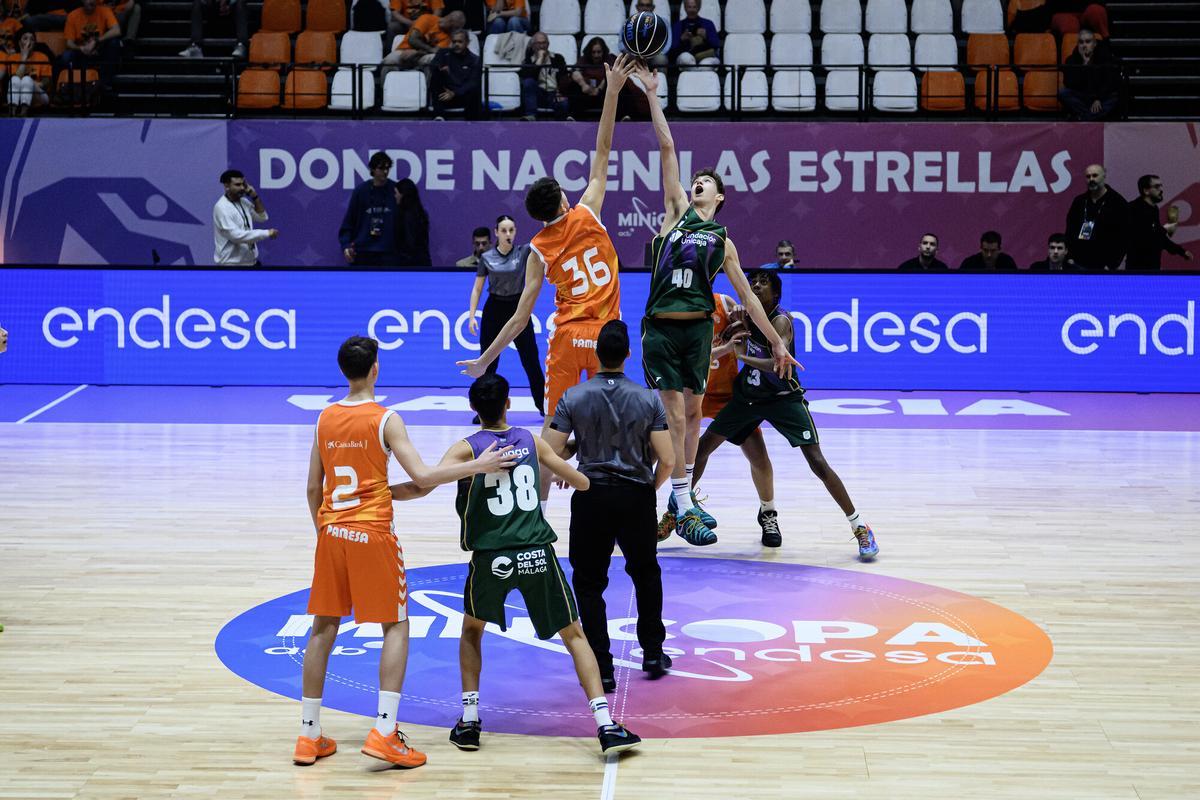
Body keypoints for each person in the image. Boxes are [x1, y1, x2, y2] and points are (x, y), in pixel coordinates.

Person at [295, 336, 517, 769]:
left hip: (332, 531)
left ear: (345, 371)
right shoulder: (386, 419)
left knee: (323, 628)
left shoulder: (324, 418)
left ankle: (308, 735)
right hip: (373, 532)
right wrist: (479, 465)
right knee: (396, 626)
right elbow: (422, 476)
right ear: (375, 369)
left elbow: (311, 489)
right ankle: (384, 732)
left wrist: (325, 531)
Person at [399, 373, 642, 756]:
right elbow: (582, 483)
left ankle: (469, 721)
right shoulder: (531, 441)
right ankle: (605, 724)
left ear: (473, 408)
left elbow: (420, 486)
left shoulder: (466, 449)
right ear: (508, 404)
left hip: (491, 556)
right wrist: (564, 472)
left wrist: (378, 493)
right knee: (574, 636)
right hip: (535, 553)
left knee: (472, 632)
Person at [459, 55, 637, 511]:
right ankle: (613, 510)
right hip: (605, 338)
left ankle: (534, 521)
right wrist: (612, 91)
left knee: (550, 440)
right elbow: (603, 150)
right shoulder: (588, 211)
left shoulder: (536, 249)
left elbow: (520, 318)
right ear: (562, 201)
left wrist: (485, 360)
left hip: (566, 339)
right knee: (611, 434)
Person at [632, 63, 796, 547]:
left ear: (720, 197)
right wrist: (653, 94)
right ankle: (683, 501)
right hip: (661, 328)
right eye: (696, 180)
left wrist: (777, 345)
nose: (698, 183)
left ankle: (682, 499)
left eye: (706, 182)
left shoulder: (723, 240)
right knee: (675, 415)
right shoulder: (675, 215)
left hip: (698, 331)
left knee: (693, 415)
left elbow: (748, 298)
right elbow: (666, 147)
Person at [693, 270, 880, 562]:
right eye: (753, 282)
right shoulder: (744, 315)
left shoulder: (781, 320)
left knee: (817, 463)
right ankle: (680, 510)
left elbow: (777, 364)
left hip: (783, 399)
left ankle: (860, 527)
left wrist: (740, 356)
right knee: (701, 449)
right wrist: (735, 327)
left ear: (776, 294)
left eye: (763, 282)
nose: (756, 285)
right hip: (748, 398)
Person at [542, 320, 675, 692]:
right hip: (636, 496)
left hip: (591, 496)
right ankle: (653, 653)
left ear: (597, 355)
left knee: (588, 583)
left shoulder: (573, 396)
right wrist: (648, 489)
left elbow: (548, 451)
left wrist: (577, 454)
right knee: (646, 574)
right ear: (628, 354)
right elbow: (667, 459)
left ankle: (601, 666)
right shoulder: (648, 398)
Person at [693, 293, 781, 545]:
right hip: (695, 392)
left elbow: (752, 337)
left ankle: (768, 513)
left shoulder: (725, 303)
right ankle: (677, 509)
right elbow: (694, 358)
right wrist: (727, 347)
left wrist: (744, 319)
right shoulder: (682, 309)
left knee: (759, 456)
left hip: (729, 395)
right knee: (672, 452)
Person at [467, 215, 545, 415]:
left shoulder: (524, 252)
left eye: (511, 230)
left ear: (515, 231)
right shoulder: (487, 257)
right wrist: (472, 315)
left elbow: (545, 236)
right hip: (494, 309)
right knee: (488, 362)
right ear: (496, 233)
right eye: (503, 230)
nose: (508, 234)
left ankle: (543, 406)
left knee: (531, 360)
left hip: (518, 309)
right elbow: (477, 289)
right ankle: (484, 410)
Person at [339, 152, 400, 267]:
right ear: (372, 169)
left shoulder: (396, 190)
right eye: (381, 168)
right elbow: (349, 222)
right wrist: (346, 246)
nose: (385, 172)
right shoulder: (361, 191)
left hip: (390, 252)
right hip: (363, 251)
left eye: (387, 168)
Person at [1064, 163, 1126, 270]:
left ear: (1104, 176)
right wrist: (1069, 257)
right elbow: (1070, 230)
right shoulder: (1079, 201)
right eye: (1088, 177)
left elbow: (1123, 237)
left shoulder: (1118, 203)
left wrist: (1111, 264)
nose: (1091, 179)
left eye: (1095, 175)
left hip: (1103, 265)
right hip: (1077, 263)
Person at [1124, 174, 1193, 271]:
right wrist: (1164, 230)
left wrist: (1181, 251)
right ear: (1146, 191)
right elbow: (1146, 237)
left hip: (1152, 267)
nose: (1161, 189)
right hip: (1138, 268)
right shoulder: (1133, 209)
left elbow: (1159, 237)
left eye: (1161, 186)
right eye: (1156, 187)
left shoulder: (1154, 209)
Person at [213, 169, 276, 266]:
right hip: (231, 265)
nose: (242, 188)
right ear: (226, 186)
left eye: (243, 184)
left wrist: (254, 196)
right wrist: (266, 233)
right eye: (237, 185)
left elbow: (262, 217)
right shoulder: (222, 207)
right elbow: (236, 236)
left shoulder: (244, 202)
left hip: (251, 262)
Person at [1058, 27, 1119, 121]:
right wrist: (1084, 66)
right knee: (1063, 93)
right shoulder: (1071, 60)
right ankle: (1092, 117)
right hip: (1083, 97)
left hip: (1101, 97)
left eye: (1088, 42)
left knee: (1115, 97)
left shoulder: (1105, 58)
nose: (1084, 45)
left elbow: (1109, 82)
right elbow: (1069, 84)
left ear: (1094, 44)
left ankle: (1084, 117)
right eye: (1081, 42)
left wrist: (1098, 98)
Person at [61, 0, 121, 90]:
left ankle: (105, 82)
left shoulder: (105, 11)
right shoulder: (73, 15)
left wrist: (96, 41)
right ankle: (72, 86)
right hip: (82, 51)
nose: (92, 1)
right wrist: (81, 48)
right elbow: (69, 43)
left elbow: (117, 30)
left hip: (99, 49)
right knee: (66, 56)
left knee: (114, 43)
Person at [381, 9, 464, 71]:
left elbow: (437, 51)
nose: (454, 31)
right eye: (455, 27)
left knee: (433, 60)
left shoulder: (448, 36)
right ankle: (384, 88)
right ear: (450, 20)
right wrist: (430, 49)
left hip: (422, 56)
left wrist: (417, 52)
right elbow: (412, 39)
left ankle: (427, 89)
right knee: (389, 61)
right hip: (403, 50)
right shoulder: (427, 18)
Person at [430, 28, 482, 118]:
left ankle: (471, 121)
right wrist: (440, 68)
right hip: (445, 95)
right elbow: (433, 65)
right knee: (436, 75)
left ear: (467, 43)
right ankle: (439, 116)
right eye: (454, 42)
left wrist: (454, 93)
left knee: (474, 90)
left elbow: (473, 83)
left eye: (460, 42)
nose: (456, 44)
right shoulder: (443, 53)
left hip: (462, 96)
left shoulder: (474, 60)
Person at [519, 31, 568, 120]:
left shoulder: (558, 58)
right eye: (538, 43)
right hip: (538, 95)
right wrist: (539, 60)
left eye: (544, 43)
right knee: (528, 82)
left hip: (555, 93)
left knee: (564, 103)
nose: (542, 46)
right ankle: (531, 115)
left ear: (548, 44)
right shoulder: (528, 61)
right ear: (533, 45)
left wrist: (561, 92)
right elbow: (529, 79)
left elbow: (564, 76)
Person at [5, 27, 52, 113]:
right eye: (25, 38)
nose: (29, 42)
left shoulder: (42, 57)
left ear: (34, 43)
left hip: (38, 94)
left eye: (32, 39)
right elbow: (16, 78)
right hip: (19, 93)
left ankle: (23, 113)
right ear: (19, 42)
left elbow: (47, 81)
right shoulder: (12, 57)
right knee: (14, 79)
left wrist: (33, 84)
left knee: (27, 80)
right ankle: (12, 112)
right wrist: (24, 58)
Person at [179, 0, 246, 58]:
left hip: (231, 4)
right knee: (197, 2)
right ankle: (195, 46)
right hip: (212, 5)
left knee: (240, 2)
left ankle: (241, 44)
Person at [670, 0, 719, 67]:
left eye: (694, 7)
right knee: (686, 58)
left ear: (699, 7)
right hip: (686, 57)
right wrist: (681, 39)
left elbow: (716, 44)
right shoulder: (678, 25)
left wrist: (706, 37)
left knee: (705, 63)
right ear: (685, 8)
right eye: (689, 7)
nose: (692, 10)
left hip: (705, 55)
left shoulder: (708, 24)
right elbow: (672, 49)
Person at [394, 178, 431, 266]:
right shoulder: (420, 214)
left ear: (403, 194)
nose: (394, 196)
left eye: (396, 193)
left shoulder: (406, 216)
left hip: (410, 265)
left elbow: (409, 244)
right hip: (422, 263)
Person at [621, 0, 669, 67]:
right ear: (637, 7)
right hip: (634, 54)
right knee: (627, 57)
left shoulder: (662, 22)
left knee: (661, 59)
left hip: (655, 54)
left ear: (653, 7)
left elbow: (666, 45)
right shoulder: (628, 22)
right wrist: (635, 53)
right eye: (642, 5)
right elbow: (621, 45)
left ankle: (658, 74)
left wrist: (650, 53)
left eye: (648, 5)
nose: (645, 8)